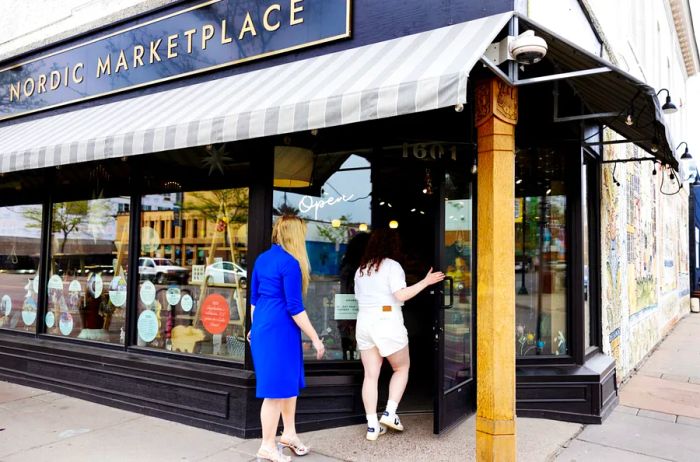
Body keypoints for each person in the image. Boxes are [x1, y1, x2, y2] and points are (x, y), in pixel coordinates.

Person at [354, 229, 444, 440]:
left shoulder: (361, 270)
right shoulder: (392, 266)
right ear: (393, 246)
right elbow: (401, 294)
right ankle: (390, 413)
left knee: (370, 375)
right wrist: (425, 281)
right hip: (387, 321)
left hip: (364, 322)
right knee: (401, 367)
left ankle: (372, 426)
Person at [248, 215, 325, 461]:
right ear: (295, 236)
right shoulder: (291, 263)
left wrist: (255, 326)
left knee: (287, 385)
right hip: (280, 331)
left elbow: (254, 300)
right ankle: (267, 446)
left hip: (267, 327)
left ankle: (289, 434)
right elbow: (295, 307)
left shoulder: (262, 259)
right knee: (274, 391)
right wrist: (315, 337)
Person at [337, 231, 370, 360]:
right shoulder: (355, 268)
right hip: (354, 311)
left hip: (347, 311)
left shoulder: (347, 266)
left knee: (349, 346)